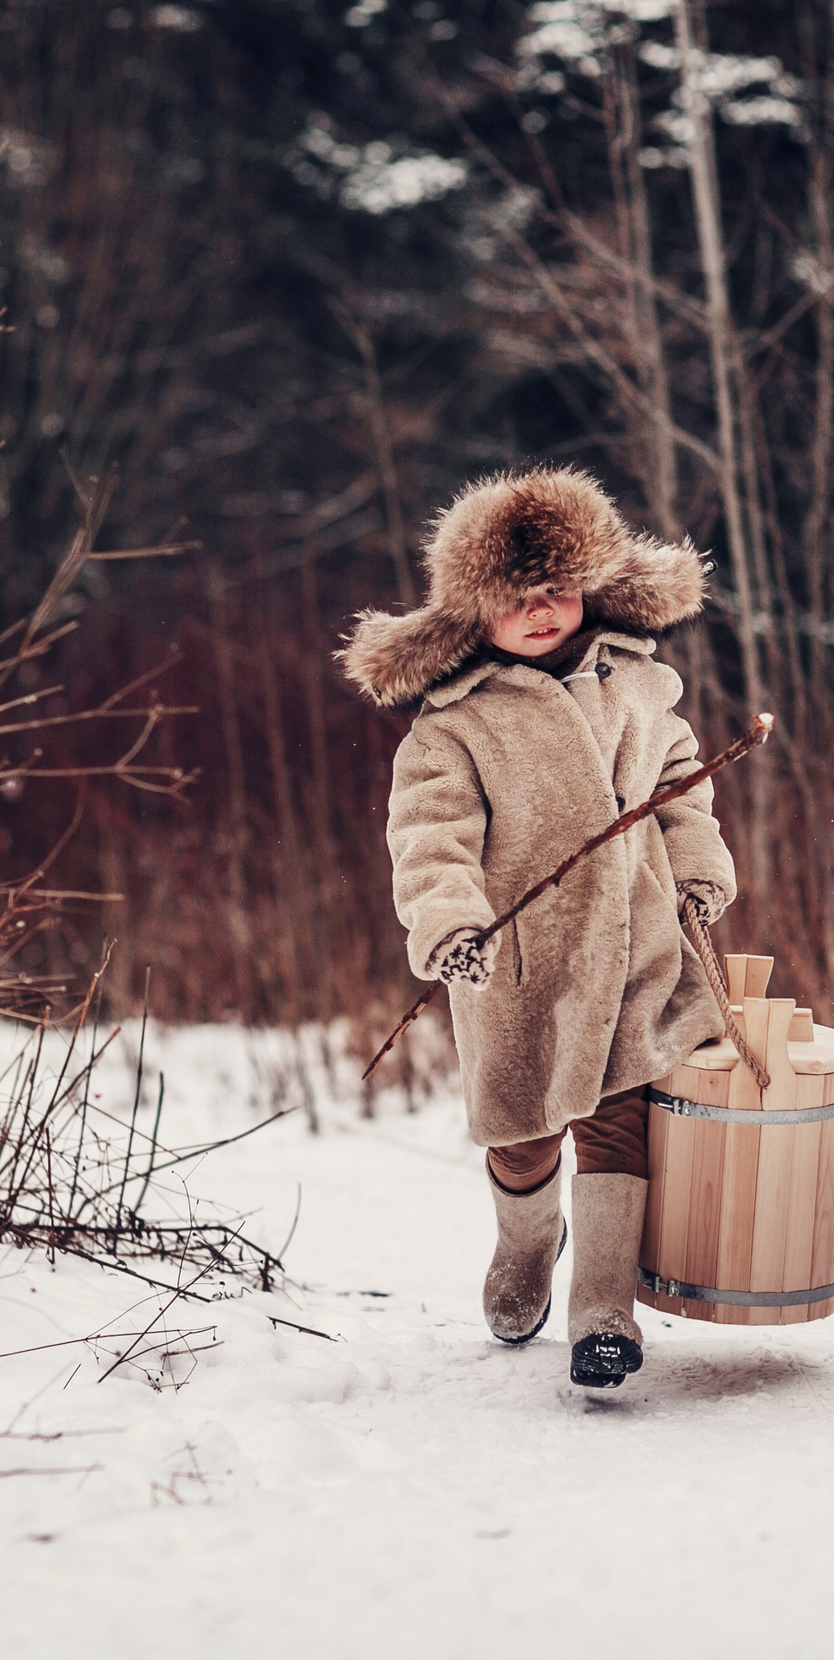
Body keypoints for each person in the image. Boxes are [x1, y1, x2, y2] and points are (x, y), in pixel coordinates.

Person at [339, 466, 735, 1389]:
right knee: (522, 1132)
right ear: (475, 612)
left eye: (560, 588)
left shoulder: (636, 687)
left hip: (635, 949)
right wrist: (450, 922)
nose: (545, 609)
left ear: (590, 585)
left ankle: (603, 1310)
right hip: (517, 967)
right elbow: (430, 839)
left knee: (616, 1125)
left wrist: (697, 872)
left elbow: (683, 792)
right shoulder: (455, 726)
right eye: (519, 598)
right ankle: (527, 1240)